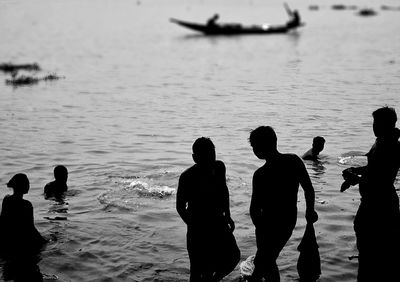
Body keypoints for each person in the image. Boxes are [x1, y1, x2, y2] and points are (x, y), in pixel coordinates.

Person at [248, 126, 318, 282]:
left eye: (254, 146)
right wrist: (310, 210)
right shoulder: (293, 161)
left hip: (266, 225)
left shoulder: (260, 174)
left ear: (259, 148)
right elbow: (308, 189)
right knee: (266, 262)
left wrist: (260, 229)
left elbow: (254, 209)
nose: (253, 150)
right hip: (286, 222)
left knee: (263, 262)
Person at [341, 106, 400, 281]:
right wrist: (355, 170)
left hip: (380, 205)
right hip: (374, 201)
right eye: (373, 122)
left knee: (373, 253)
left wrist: (355, 179)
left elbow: (380, 178)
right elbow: (373, 169)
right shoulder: (381, 142)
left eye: (377, 123)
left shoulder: (390, 146)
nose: (374, 126)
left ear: (388, 124)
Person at [176, 137, 240, 282]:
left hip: (218, 222)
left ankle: (214, 279)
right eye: (204, 156)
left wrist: (228, 215)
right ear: (194, 158)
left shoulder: (219, 167)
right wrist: (193, 225)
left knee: (233, 256)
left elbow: (224, 191)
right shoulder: (187, 177)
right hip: (197, 227)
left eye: (212, 154)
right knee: (197, 270)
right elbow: (180, 207)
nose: (209, 158)